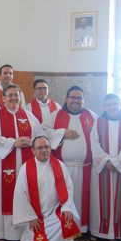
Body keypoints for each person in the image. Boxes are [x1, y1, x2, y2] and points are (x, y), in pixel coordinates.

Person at [0, 84, 43, 241]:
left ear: (20, 97)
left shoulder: (30, 117)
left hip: (26, 166)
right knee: (1, 195)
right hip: (1, 164)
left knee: (25, 193)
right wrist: (13, 143)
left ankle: (24, 232)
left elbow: (41, 138)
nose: (13, 98)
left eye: (16, 95)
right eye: (9, 95)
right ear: (3, 99)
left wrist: (31, 142)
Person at [13, 136, 80, 241]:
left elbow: (68, 188)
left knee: (67, 219)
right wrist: (30, 217)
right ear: (32, 150)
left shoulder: (60, 165)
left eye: (46, 147)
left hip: (55, 211)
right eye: (39, 148)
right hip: (36, 215)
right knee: (34, 236)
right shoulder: (26, 168)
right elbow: (20, 194)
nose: (44, 150)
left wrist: (66, 207)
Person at [42, 85, 97, 233]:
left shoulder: (91, 116)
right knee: (62, 198)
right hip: (62, 168)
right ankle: (63, 228)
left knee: (82, 200)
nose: (75, 100)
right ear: (66, 99)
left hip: (85, 168)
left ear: (83, 100)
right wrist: (62, 133)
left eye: (79, 98)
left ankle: (81, 228)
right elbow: (43, 131)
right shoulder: (56, 115)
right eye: (72, 97)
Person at [90, 94, 121, 241]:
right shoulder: (97, 123)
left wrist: (116, 163)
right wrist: (106, 161)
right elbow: (94, 144)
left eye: (115, 104)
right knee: (99, 200)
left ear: (120, 104)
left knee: (120, 200)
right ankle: (99, 232)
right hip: (103, 169)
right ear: (104, 107)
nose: (112, 107)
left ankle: (116, 233)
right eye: (108, 104)